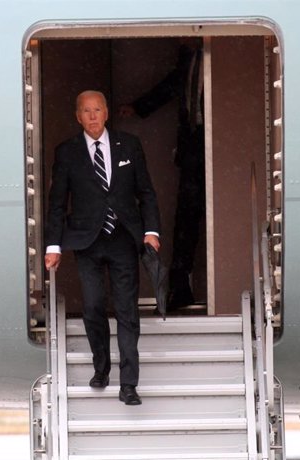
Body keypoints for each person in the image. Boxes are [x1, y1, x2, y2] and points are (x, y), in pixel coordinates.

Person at [44, 90, 161, 406]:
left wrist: (151, 231)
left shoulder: (129, 145)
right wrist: (53, 245)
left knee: (127, 311)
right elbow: (57, 204)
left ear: (107, 113)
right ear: (77, 116)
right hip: (87, 240)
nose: (93, 116)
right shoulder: (67, 152)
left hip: (124, 238)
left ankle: (128, 384)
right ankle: (101, 366)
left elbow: (146, 192)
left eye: (97, 109)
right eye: (86, 111)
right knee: (94, 306)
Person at [119, 38, 204, 310]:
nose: (180, 39)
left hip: (217, 144)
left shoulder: (215, 56)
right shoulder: (188, 57)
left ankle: (193, 286)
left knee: (207, 217)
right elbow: (171, 86)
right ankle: (180, 286)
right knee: (186, 217)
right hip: (192, 145)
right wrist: (138, 107)